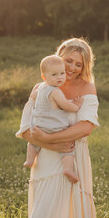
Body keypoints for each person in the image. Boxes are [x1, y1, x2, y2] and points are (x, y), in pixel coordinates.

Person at [16, 37, 109, 218]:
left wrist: (48, 138)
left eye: (77, 64)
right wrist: (47, 143)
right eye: (68, 60)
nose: (71, 68)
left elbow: (86, 127)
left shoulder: (87, 88)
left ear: (85, 67)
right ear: (58, 57)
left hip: (72, 159)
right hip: (45, 163)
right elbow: (27, 127)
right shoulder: (41, 87)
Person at [24, 55, 83, 183]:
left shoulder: (40, 88)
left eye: (62, 73)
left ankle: (29, 160)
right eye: (54, 75)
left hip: (39, 126)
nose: (60, 77)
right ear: (44, 77)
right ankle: (68, 168)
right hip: (55, 127)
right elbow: (66, 106)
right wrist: (76, 106)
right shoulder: (56, 92)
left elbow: (32, 98)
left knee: (32, 143)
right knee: (68, 149)